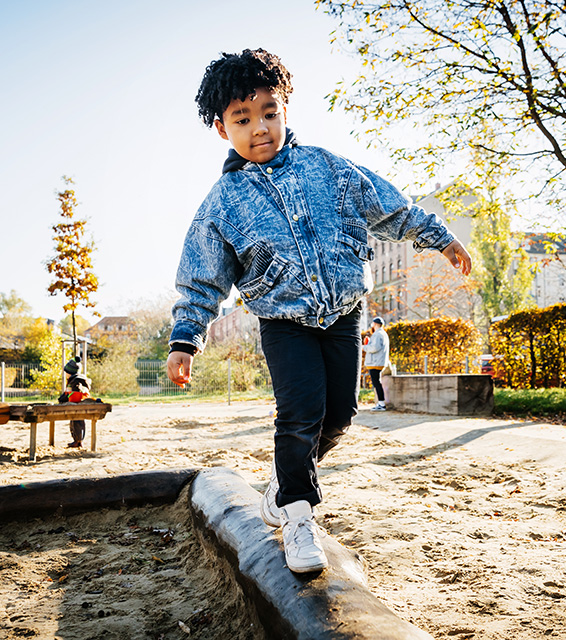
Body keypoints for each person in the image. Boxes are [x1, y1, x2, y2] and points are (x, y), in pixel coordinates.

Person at [166, 49, 472, 574]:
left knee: (340, 416)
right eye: (243, 119)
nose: (259, 128)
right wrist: (184, 338)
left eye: (269, 112)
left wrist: (439, 237)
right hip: (283, 321)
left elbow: (389, 207)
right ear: (222, 129)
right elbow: (202, 275)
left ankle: (286, 486)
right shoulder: (222, 202)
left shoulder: (325, 168)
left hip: (345, 311)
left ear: (285, 109)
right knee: (300, 413)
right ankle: (298, 515)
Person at [59, 356, 92, 448]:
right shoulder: (77, 379)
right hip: (80, 404)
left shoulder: (75, 381)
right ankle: (77, 440)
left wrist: (63, 399)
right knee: (77, 422)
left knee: (76, 422)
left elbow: (71, 393)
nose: (65, 374)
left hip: (77, 404)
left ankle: (78, 441)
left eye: (66, 372)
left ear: (70, 372)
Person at [363, 317, 389, 411]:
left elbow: (375, 348)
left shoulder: (378, 334)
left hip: (375, 362)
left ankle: (381, 404)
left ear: (375, 324)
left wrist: (364, 347)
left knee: (376, 383)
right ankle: (380, 403)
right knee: (377, 382)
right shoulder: (382, 333)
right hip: (379, 362)